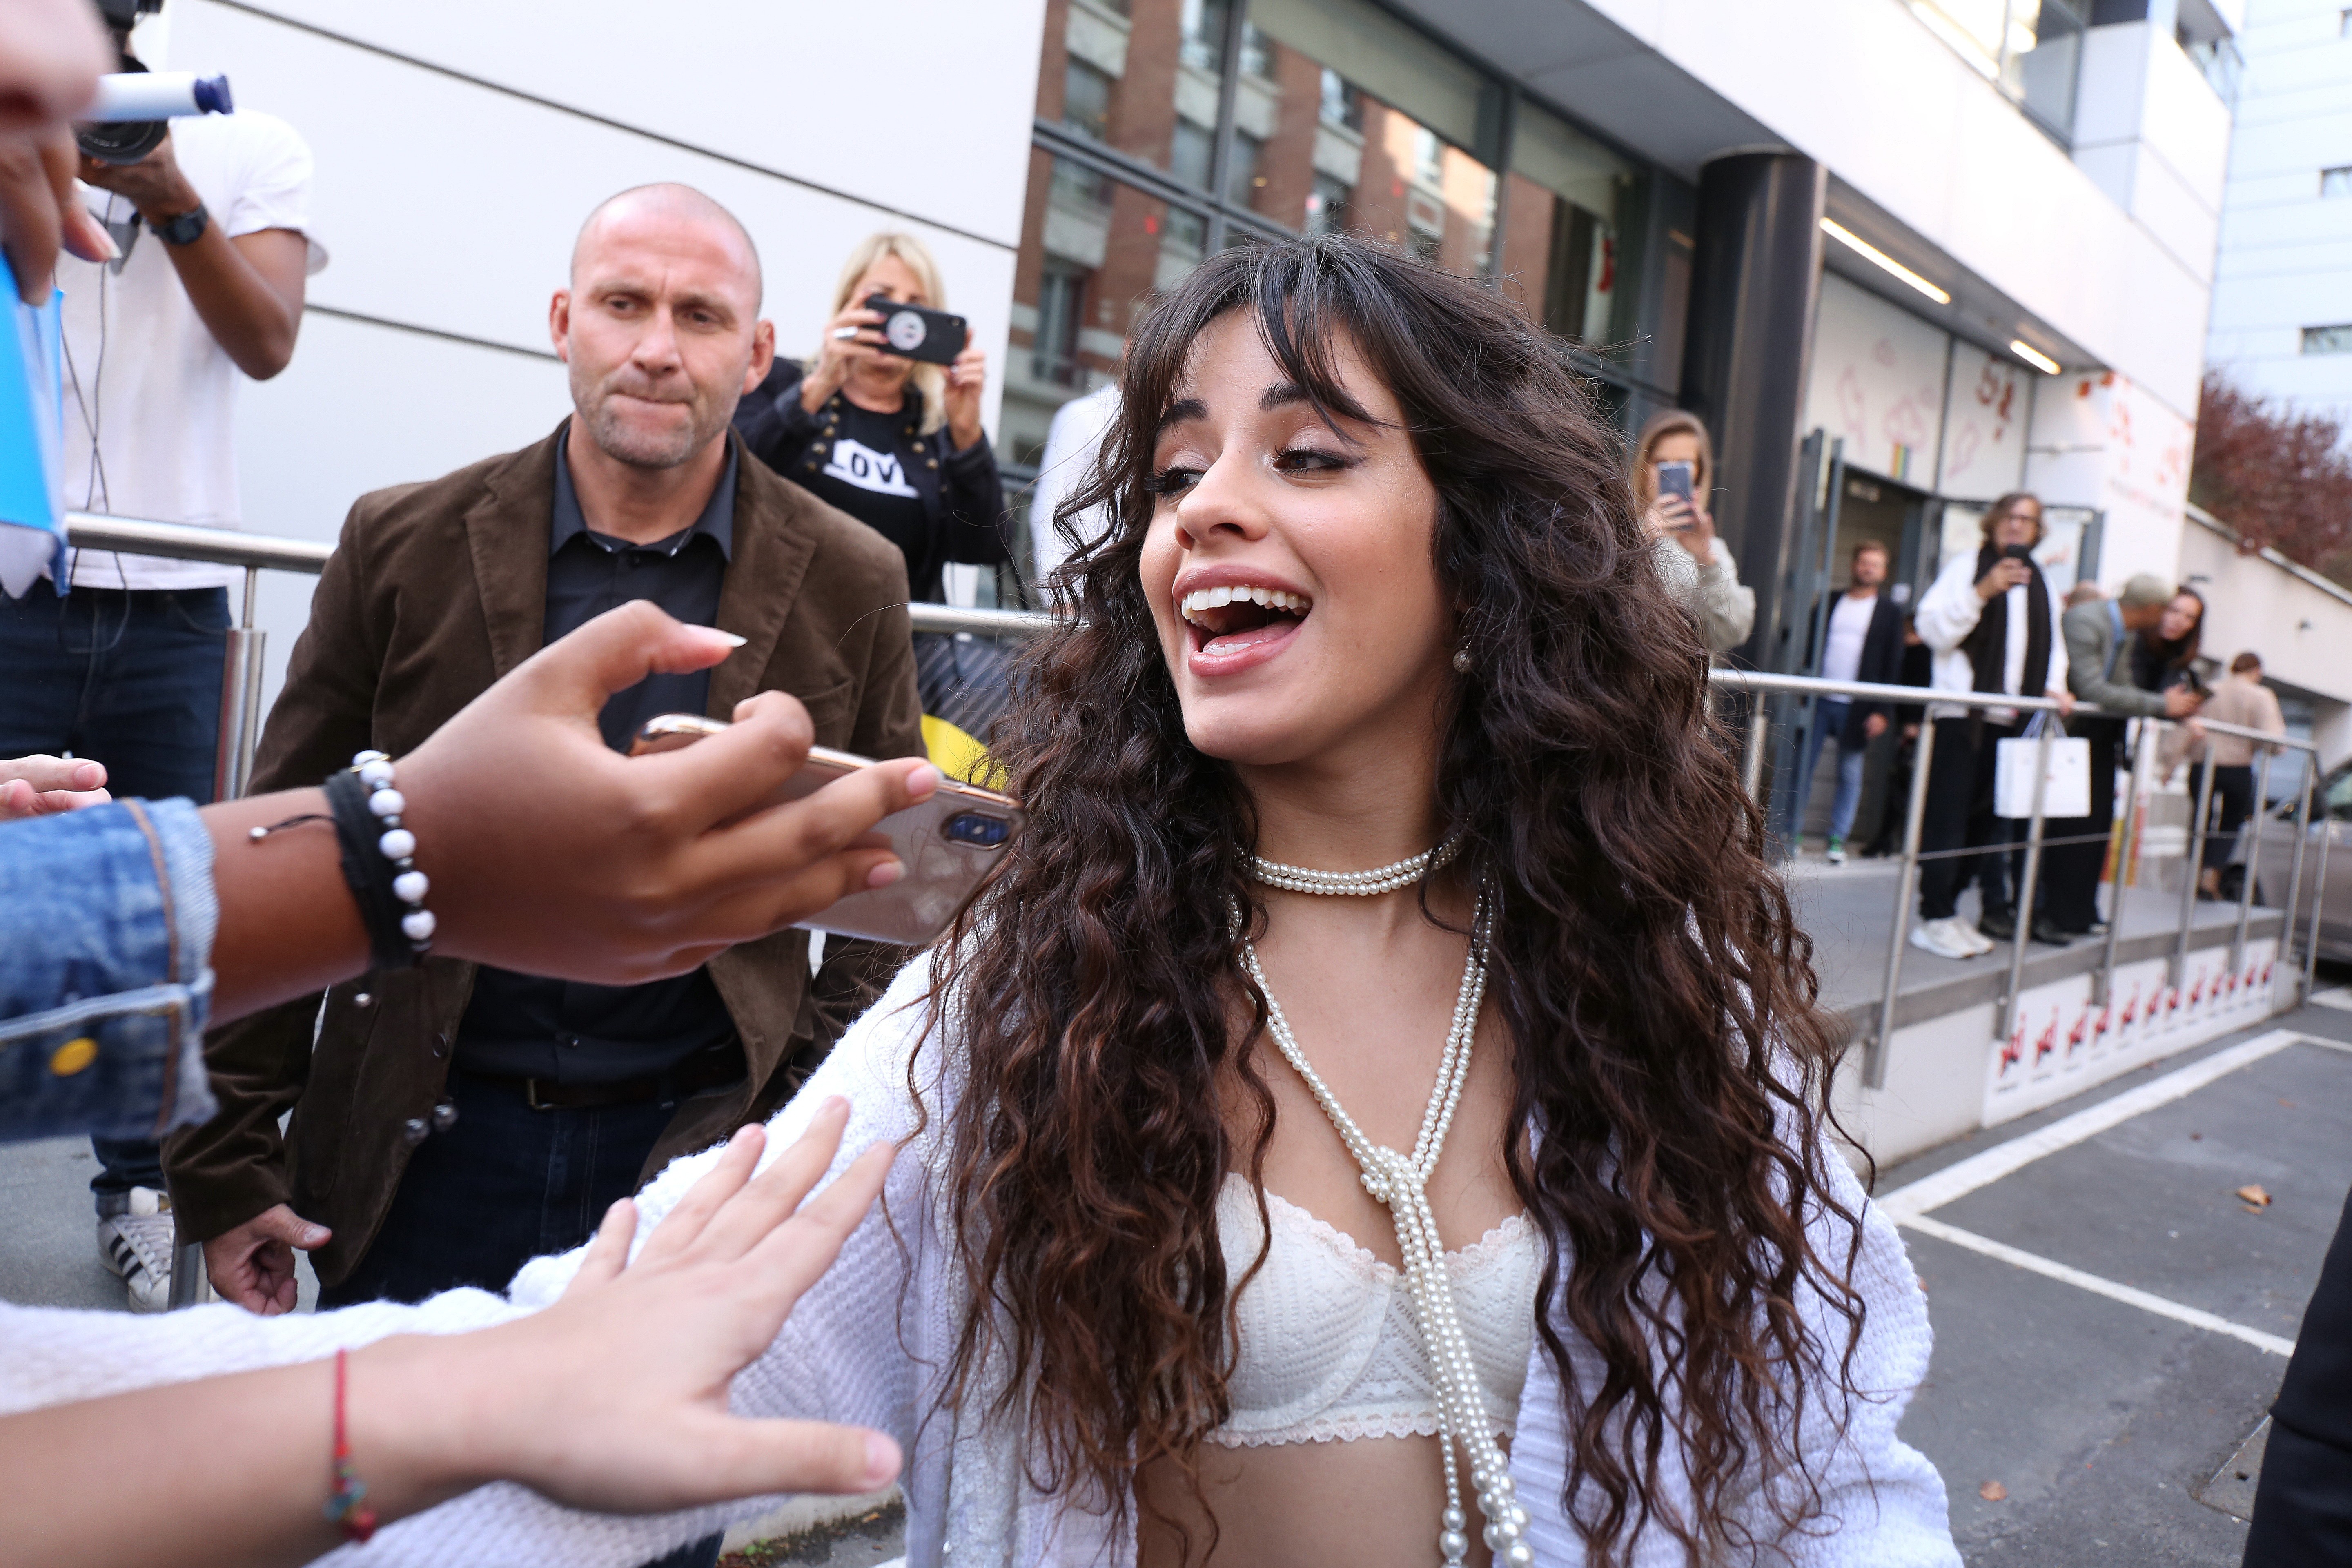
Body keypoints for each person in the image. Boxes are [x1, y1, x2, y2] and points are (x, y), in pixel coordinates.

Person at [28, 233, 1961, 1567]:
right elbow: (592, 1366)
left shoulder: (1656, 988)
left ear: (1491, 545)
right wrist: (365, 1415)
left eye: (1305, 453)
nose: (1205, 506)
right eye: (1175, 464)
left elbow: (1829, 1480)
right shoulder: (1038, 998)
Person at [163, 184, 927, 1318]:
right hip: (420, 1154)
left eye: (701, 317)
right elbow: (283, 840)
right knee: (378, 1489)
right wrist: (226, 1165)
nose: (658, 350)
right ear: (566, 321)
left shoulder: (852, 575)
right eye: (626, 304)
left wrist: (775, 1127)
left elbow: (886, 887)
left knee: (656, 1500)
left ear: (760, 352)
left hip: (691, 1164)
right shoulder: (400, 544)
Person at [0, 0, 327, 1310]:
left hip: (178, 598)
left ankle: (138, 1186)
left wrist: (172, 195)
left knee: (160, 906)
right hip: (21, 576)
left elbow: (267, 341)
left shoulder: (250, 142)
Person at [734, 232, 1015, 737]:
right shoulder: (781, 384)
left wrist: (967, 432)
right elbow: (732, 477)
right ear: (848, 305)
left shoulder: (936, 428)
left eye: (917, 306)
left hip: (886, 672)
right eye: (882, 301)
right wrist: (820, 385)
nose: (899, 320)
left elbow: (985, 544)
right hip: (769, 647)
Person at [1909, 492, 2072, 960]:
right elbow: (1934, 629)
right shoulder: (1968, 567)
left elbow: (2052, 647)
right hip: (1964, 714)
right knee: (1948, 819)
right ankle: (1933, 914)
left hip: (2012, 720)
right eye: (2011, 517)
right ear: (1995, 522)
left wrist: (2055, 686)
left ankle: (1950, 910)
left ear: (2038, 531)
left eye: (2028, 520)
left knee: (1985, 824)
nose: (2018, 526)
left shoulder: (2041, 582)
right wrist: (1983, 591)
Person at [2042, 574, 2204, 937]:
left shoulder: (2125, 632)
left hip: (2101, 739)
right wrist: (2164, 705)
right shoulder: (2089, 620)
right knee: (2068, 832)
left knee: (2094, 831)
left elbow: (2119, 687)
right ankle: (2052, 914)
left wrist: (2169, 707)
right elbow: (2094, 688)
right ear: (2151, 610)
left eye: (2185, 615)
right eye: (2169, 610)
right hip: (2071, 737)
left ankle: (2078, 913)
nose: (2171, 620)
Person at [1792, 539, 1903, 862]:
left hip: (1859, 706)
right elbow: (1810, 646)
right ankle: (1791, 833)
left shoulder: (1890, 612)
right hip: (1818, 701)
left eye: (1875, 564)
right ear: (1854, 565)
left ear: (1883, 573)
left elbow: (1893, 662)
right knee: (1802, 769)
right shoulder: (1830, 601)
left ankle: (1837, 840)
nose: (1868, 568)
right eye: (1864, 562)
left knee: (1850, 774)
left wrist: (1883, 710)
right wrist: (1803, 690)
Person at [1631, 408, 1754, 656]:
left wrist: (1707, 561)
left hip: (1685, 691)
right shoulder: (1617, 532)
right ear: (1643, 469)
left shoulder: (1713, 548)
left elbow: (1734, 632)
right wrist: (1637, 542)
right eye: (1662, 463)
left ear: (1699, 473)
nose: (1673, 474)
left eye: (1686, 464)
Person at [2165, 649, 2285, 900]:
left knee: (2200, 819)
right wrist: (2273, 749)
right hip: (2237, 766)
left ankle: (2197, 871)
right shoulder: (2261, 695)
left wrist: (2169, 764)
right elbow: (2273, 739)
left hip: (2202, 764)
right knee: (2231, 822)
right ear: (2257, 671)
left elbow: (2185, 729)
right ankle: (2212, 876)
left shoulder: (2208, 689)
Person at [1861, 617, 1933, 859]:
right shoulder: (1915, 653)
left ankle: (1891, 841)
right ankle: (1889, 840)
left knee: (1903, 789)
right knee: (1900, 788)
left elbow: (1919, 689)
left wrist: (1914, 723)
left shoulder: (1922, 655)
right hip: (1910, 727)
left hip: (1915, 729)